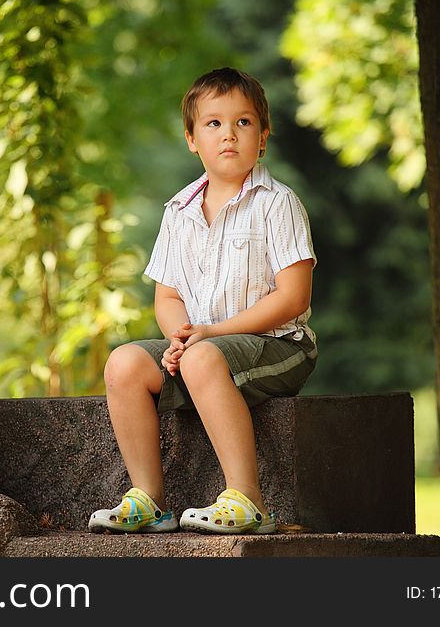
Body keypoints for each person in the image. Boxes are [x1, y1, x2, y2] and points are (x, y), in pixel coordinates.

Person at [88, 67, 317, 535]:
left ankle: (247, 501)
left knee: (202, 359)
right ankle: (150, 501)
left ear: (263, 137)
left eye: (243, 122)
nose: (228, 135)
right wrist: (180, 336)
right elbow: (168, 295)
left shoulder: (277, 203)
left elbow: (294, 297)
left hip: (279, 346)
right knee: (125, 364)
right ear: (192, 139)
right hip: (203, 349)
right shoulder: (179, 211)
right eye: (213, 123)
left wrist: (208, 335)